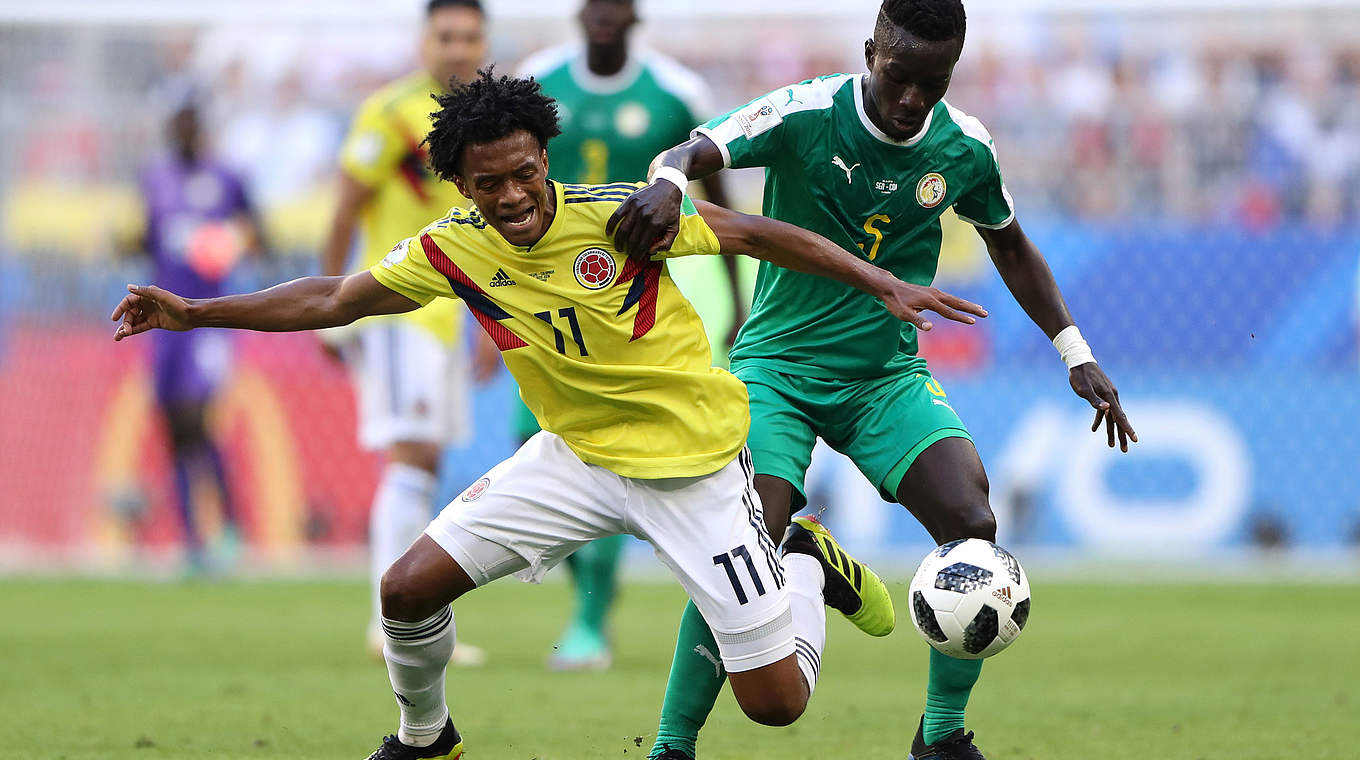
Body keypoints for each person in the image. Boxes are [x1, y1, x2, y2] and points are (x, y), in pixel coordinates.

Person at [110, 69, 987, 760]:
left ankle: (797, 558)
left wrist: (881, 283)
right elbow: (334, 298)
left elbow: (760, 237)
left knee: (776, 707)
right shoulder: (451, 248)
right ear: (460, 184)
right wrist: (193, 309)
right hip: (574, 462)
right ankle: (427, 738)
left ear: (546, 162)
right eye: (489, 183)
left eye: (527, 173)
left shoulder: (620, 221)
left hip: (695, 472)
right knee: (403, 591)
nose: (514, 197)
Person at [606, 1, 1139, 758]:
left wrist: (1074, 350)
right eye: (899, 76)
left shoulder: (965, 149)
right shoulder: (806, 110)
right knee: (739, 546)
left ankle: (942, 737)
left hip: (884, 377)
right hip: (777, 369)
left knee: (974, 525)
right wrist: (664, 178)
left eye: (934, 81)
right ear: (869, 51)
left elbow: (1011, 245)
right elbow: (696, 151)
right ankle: (671, 745)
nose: (913, 99)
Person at [515, 0, 743, 671]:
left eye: (617, 4)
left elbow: (721, 204)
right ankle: (586, 594)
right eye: (594, 4)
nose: (605, 14)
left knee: (607, 453)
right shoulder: (537, 82)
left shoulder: (676, 95)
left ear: (635, 14)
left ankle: (589, 619)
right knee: (525, 441)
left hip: (628, 309)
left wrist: (733, 301)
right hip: (536, 305)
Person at [320, 0, 498, 665]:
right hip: (396, 307)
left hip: (455, 314)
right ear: (425, 40)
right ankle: (390, 621)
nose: (457, 48)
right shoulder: (392, 113)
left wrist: (489, 317)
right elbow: (344, 207)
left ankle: (407, 620)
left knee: (425, 462)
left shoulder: (486, 119)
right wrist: (331, 306)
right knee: (411, 454)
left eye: (469, 37)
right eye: (445, 36)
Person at [133, 100, 265, 574]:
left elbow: (260, 236)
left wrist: (229, 240)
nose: (185, 132)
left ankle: (230, 529)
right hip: (164, 325)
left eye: (192, 125)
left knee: (195, 419)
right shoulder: (154, 178)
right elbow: (147, 240)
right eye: (179, 125)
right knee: (172, 426)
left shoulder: (227, 179)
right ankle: (192, 543)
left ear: (201, 130)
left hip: (207, 319)